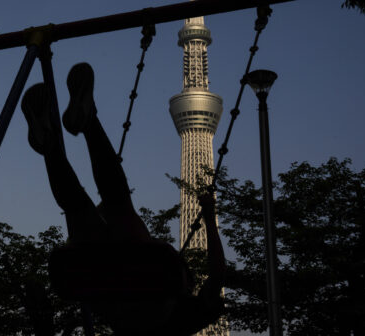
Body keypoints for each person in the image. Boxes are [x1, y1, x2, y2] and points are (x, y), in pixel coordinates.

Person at [21, 63, 226, 335]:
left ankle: (87, 121)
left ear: (186, 281)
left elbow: (217, 273)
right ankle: (49, 146)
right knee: (77, 206)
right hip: (93, 275)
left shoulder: (181, 304)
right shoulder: (180, 318)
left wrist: (209, 217)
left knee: (116, 201)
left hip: (142, 270)